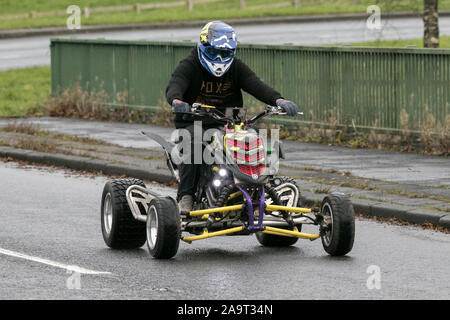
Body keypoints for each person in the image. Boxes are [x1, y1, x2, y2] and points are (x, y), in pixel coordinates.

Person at [166, 21, 299, 214]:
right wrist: (177, 101)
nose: (219, 58)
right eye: (214, 53)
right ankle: (186, 196)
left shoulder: (236, 68)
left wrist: (279, 100)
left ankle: (260, 190)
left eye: (225, 54)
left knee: (253, 140)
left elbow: (256, 85)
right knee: (192, 142)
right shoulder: (190, 64)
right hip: (195, 123)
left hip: (231, 123)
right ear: (203, 47)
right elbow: (176, 83)